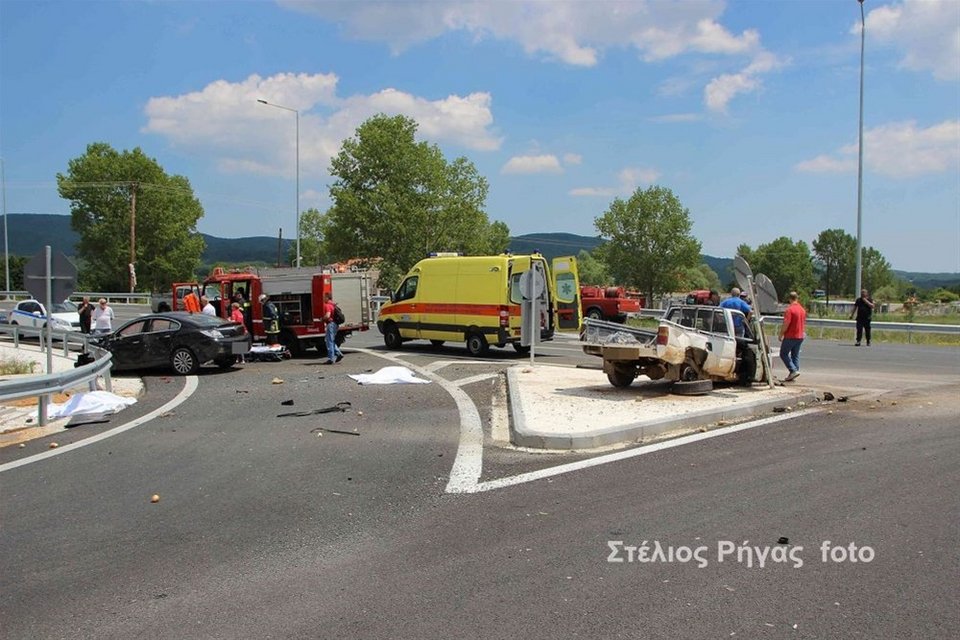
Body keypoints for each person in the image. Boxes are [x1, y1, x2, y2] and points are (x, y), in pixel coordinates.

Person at [778, 291, 806, 382]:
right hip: (800, 335)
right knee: (795, 355)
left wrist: (781, 333)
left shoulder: (789, 310)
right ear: (797, 298)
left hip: (791, 335)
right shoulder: (802, 309)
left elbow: (786, 323)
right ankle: (794, 371)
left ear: (789, 299)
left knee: (783, 354)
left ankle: (793, 370)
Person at [322, 292, 344, 364]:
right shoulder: (332, 305)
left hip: (331, 324)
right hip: (335, 324)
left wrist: (322, 319)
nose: (323, 298)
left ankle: (331, 358)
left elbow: (328, 316)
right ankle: (338, 353)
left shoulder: (327, 305)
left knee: (329, 341)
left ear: (327, 298)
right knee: (331, 340)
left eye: (324, 297)